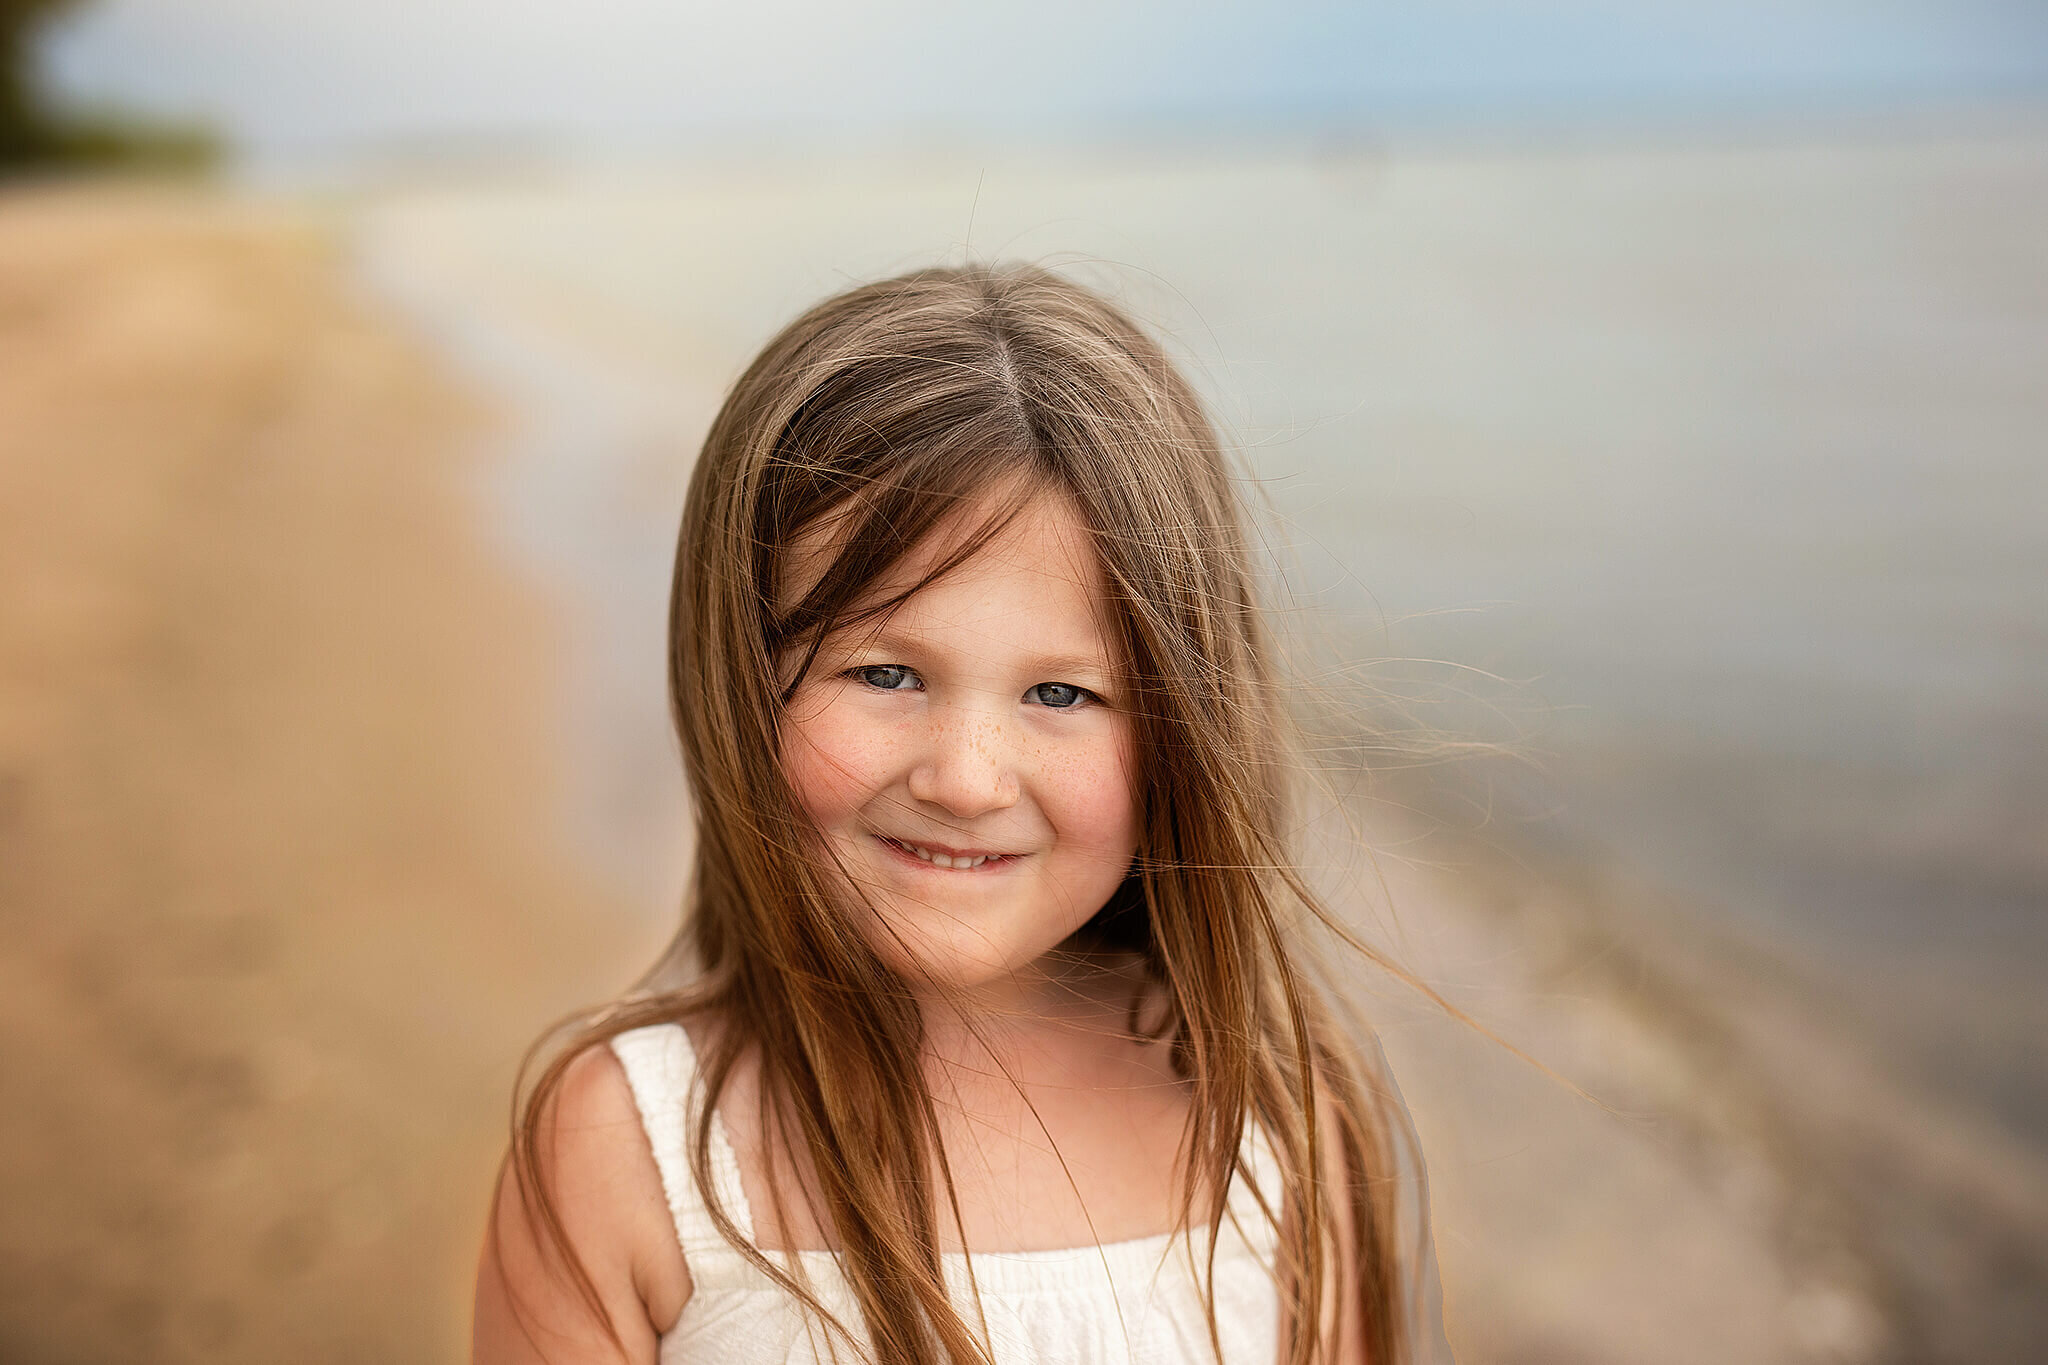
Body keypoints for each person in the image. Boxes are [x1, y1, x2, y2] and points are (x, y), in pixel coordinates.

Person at [472, 263, 1451, 1364]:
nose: (967, 780)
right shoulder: (623, 1152)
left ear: (1183, 729)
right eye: (887, 674)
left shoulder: (1269, 1122)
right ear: (738, 677)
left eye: (1060, 694)